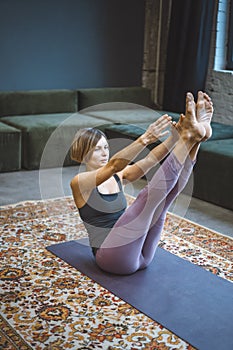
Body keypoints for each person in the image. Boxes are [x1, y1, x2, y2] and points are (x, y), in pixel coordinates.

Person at [70, 91, 213, 275]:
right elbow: (114, 165)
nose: (104, 153)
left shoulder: (119, 175)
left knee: (162, 205)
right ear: (83, 154)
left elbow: (148, 161)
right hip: (112, 258)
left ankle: (195, 140)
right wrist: (145, 138)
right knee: (145, 201)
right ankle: (190, 137)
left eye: (106, 147)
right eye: (97, 149)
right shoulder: (79, 183)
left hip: (142, 254)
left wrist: (174, 138)